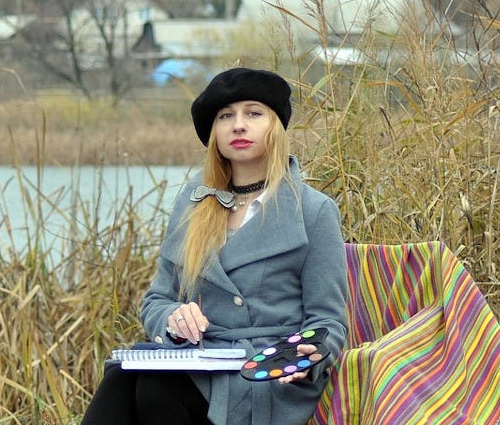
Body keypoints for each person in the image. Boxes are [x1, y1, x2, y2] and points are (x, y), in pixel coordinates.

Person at [81, 68, 348, 425]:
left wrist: (308, 354)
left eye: (253, 113)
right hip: (199, 361)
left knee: (155, 389)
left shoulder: (313, 211)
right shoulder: (193, 205)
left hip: (265, 375)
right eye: (226, 117)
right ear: (214, 135)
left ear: (276, 127)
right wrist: (174, 321)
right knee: (120, 379)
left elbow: (327, 321)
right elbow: (157, 301)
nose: (238, 125)